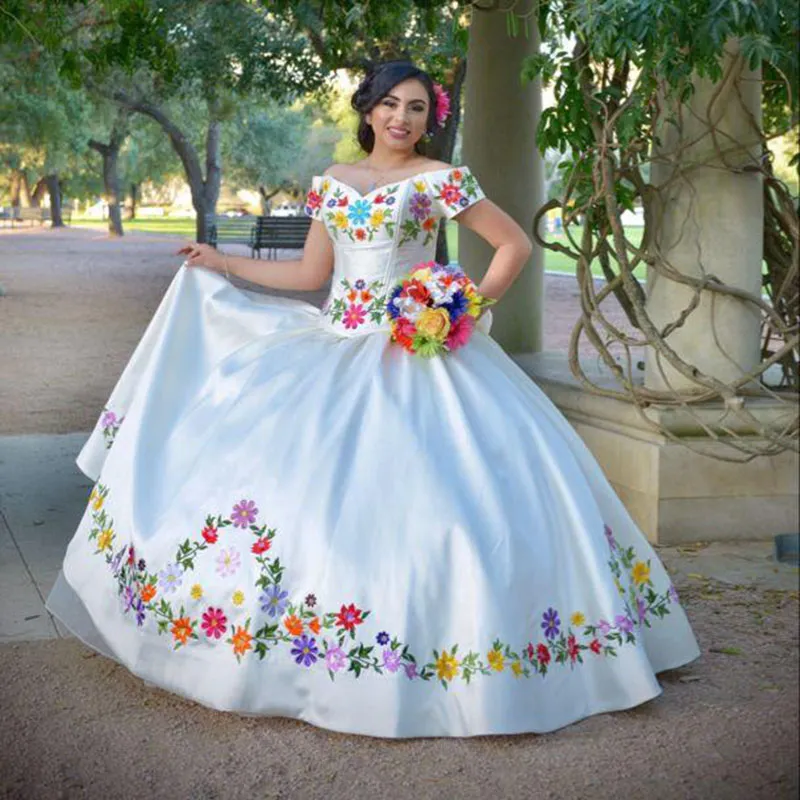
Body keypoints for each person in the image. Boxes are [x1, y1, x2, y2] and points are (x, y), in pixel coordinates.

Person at [46, 60, 700, 738]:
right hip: (331, 347)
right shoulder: (333, 183)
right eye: (390, 104)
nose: (402, 118)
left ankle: (485, 659)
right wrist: (223, 263)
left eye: (417, 108)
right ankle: (276, 652)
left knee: (454, 508)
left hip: (418, 355)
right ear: (366, 110)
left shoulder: (439, 179)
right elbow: (309, 272)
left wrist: (457, 306)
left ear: (430, 119)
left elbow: (514, 246)